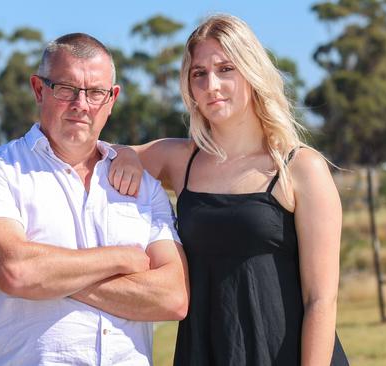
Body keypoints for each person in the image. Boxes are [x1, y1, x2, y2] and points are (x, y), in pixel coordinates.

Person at [110, 14, 349, 365]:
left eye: (226, 69)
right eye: (199, 74)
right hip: (205, 351)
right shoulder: (179, 160)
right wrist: (128, 155)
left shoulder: (300, 167)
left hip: (286, 355)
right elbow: (101, 154)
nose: (212, 85)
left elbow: (321, 300)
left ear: (252, 73)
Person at [0, 33, 189, 365]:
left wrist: (48, 279)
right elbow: (15, 271)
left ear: (112, 99)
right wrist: (121, 259)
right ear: (38, 89)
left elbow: (173, 297)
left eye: (95, 92)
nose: (81, 104)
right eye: (65, 89)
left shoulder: (143, 187)